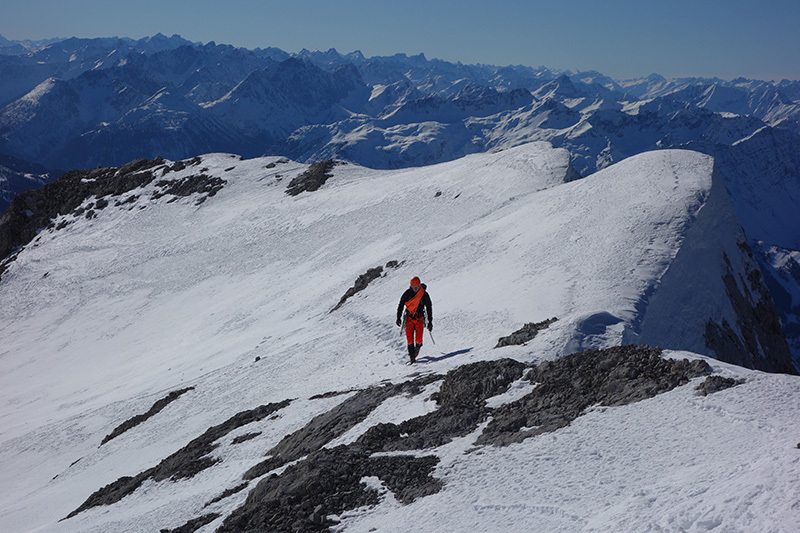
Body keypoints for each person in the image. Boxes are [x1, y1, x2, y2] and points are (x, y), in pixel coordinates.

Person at [396, 276, 433, 363]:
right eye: (414, 288)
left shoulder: (424, 294)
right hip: (409, 318)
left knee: (418, 338)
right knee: (409, 338)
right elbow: (400, 305)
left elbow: (429, 308)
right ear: (411, 287)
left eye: (417, 287)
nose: (416, 289)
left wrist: (430, 321)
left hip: (419, 318)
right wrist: (398, 317)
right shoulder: (407, 294)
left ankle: (418, 346)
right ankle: (412, 356)